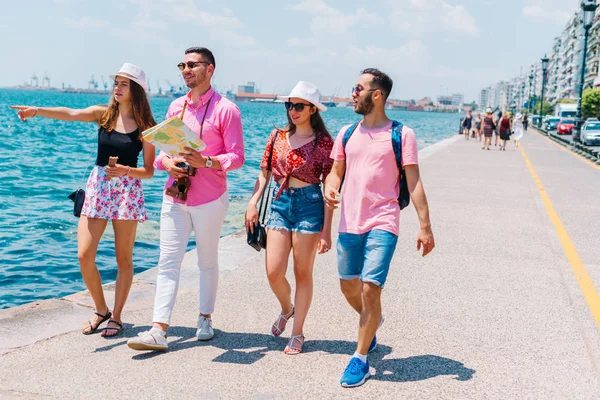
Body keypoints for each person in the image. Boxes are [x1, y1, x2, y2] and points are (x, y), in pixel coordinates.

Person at [11, 63, 156, 337]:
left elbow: (149, 170)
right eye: (116, 83)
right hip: (99, 188)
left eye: (124, 84)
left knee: (123, 259)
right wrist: (37, 111)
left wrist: (125, 170)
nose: (117, 88)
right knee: (84, 255)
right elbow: (72, 114)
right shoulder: (104, 115)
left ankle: (117, 316)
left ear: (136, 90)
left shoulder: (147, 126)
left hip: (127, 191)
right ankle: (101, 309)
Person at [127, 47, 244, 351]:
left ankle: (205, 317)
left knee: (207, 261)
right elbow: (164, 149)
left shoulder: (226, 109)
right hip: (176, 194)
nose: (185, 69)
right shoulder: (176, 107)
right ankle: (158, 329)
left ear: (210, 69)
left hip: (209, 196)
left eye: (192, 64)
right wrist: (164, 162)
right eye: (182, 64)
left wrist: (206, 161)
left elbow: (237, 157)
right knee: (167, 261)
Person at [324, 68, 435, 387]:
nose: (352, 93)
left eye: (358, 88)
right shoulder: (347, 132)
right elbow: (335, 172)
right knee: (349, 286)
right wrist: (331, 187)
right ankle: (371, 322)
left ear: (377, 95)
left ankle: (360, 359)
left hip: (383, 221)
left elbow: (413, 183)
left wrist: (425, 226)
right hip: (350, 222)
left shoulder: (402, 134)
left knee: (371, 287)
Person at [245, 81, 334, 355]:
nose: (292, 110)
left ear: (312, 110)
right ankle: (287, 309)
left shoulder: (324, 143)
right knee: (273, 271)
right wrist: (252, 202)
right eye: (289, 105)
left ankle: (297, 333)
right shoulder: (277, 136)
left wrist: (326, 231)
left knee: (302, 272)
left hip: (310, 204)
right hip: (279, 204)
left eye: (298, 106)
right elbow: (265, 173)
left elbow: (331, 186)